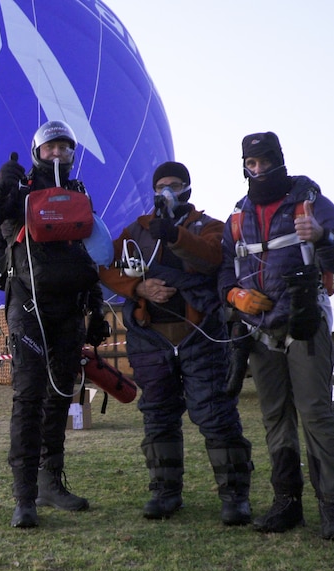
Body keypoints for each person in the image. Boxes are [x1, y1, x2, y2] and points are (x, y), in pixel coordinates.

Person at [219, 132, 334, 541]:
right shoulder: (237, 217)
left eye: (263, 161)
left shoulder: (310, 203)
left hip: (305, 324)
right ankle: (287, 502)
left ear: (278, 160)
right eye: (251, 164)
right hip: (260, 334)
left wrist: (322, 236)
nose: (257, 170)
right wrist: (234, 295)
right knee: (275, 417)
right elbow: (226, 268)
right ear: (244, 166)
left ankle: (333, 507)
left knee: (316, 414)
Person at [0, 120, 109, 528]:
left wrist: (97, 309)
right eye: (50, 148)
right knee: (28, 400)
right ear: (37, 152)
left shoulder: (79, 195)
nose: (58, 154)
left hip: (70, 311)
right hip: (28, 313)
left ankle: (51, 483)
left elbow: (91, 257)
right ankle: (24, 497)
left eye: (64, 148)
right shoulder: (17, 195)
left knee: (59, 398)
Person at [98, 161, 254, 526]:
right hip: (152, 338)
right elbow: (105, 266)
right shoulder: (136, 231)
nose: (167, 190)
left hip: (199, 336)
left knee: (216, 414)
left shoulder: (209, 227)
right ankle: (165, 493)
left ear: (187, 188)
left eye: (175, 184)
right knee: (158, 416)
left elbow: (213, 258)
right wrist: (137, 287)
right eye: (161, 185)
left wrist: (175, 236)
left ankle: (235, 497)